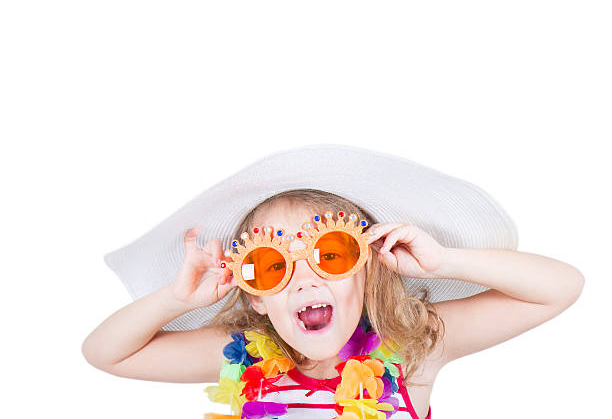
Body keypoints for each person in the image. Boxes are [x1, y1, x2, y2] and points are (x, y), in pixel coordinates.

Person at [81, 145, 585, 419]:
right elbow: (106, 353)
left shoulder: (414, 348)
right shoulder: (241, 356)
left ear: (367, 270)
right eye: (273, 265)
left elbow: (559, 288)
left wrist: (443, 260)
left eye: (332, 255)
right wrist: (174, 298)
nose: (305, 279)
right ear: (254, 296)